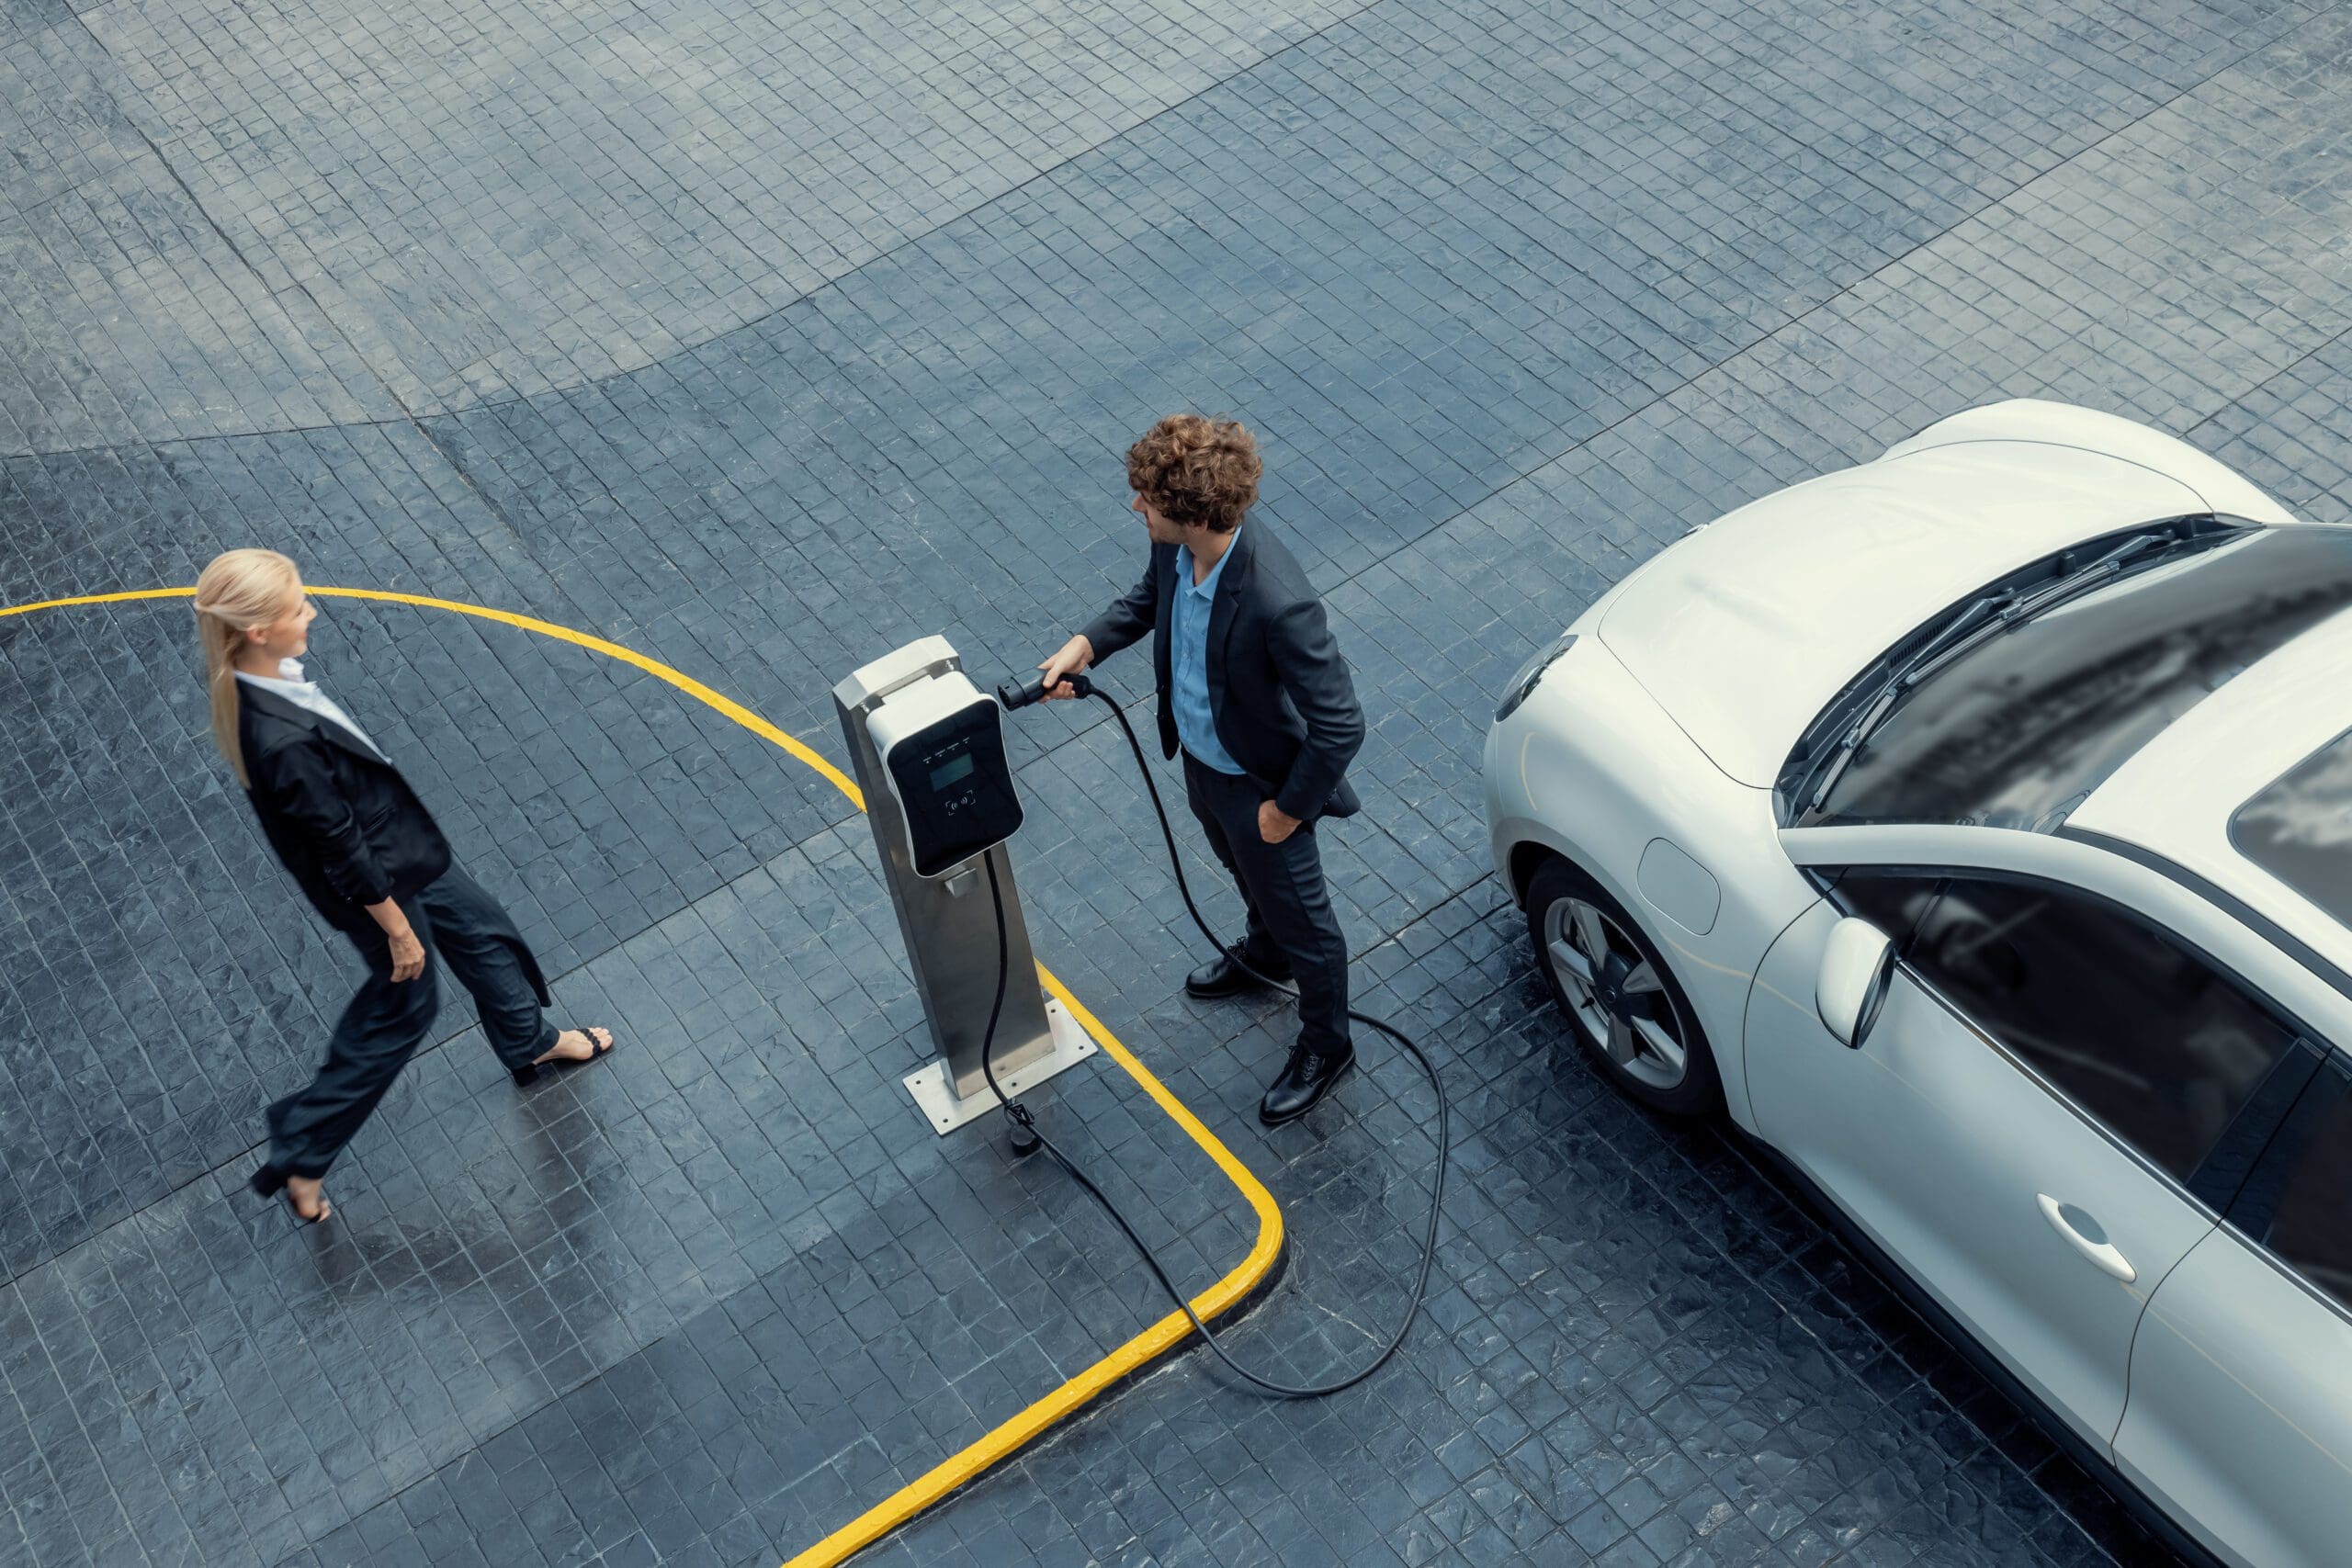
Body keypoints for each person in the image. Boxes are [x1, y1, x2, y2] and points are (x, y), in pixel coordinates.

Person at [193, 549, 616, 1223]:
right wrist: (397, 930)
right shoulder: (280, 741)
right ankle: (302, 1151)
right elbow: (339, 847)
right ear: (258, 631)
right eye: (296, 607)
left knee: (481, 928)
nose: (312, 612)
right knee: (402, 1013)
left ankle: (529, 1039)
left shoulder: (265, 681)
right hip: (379, 886)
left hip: (398, 851)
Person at [1036, 415, 1365, 1124]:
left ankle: (1327, 1044)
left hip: (1263, 789)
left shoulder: (1280, 603)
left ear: (1187, 512)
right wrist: (1085, 644)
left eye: (1146, 500)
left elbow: (1341, 723)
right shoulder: (1178, 551)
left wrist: (1285, 812)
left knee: (1310, 924)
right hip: (1204, 764)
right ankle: (1265, 951)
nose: (1136, 509)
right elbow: (1148, 603)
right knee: (1242, 873)